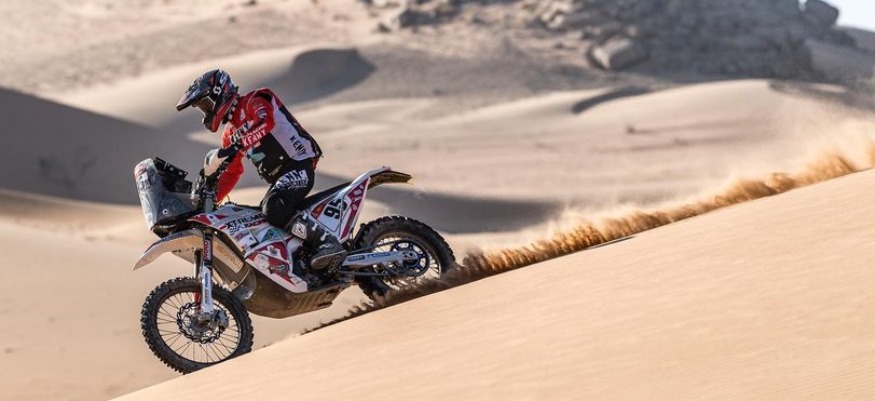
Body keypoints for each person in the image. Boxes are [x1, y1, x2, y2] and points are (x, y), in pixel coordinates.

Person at [176, 69, 346, 270]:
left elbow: (266, 121)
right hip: (281, 178)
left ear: (219, 93)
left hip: (299, 164)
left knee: (273, 207)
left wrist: (239, 144)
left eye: (206, 105)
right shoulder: (229, 134)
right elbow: (232, 172)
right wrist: (211, 201)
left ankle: (327, 242)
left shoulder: (254, 100)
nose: (206, 112)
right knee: (255, 218)